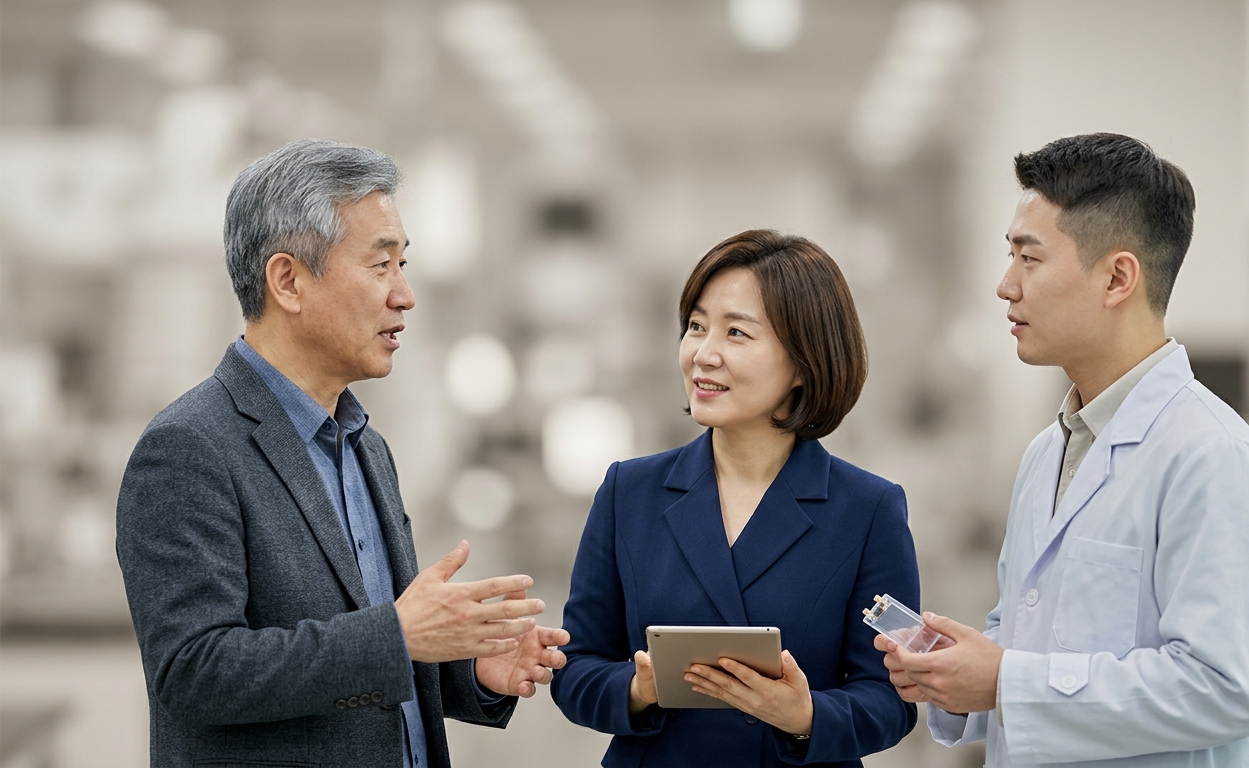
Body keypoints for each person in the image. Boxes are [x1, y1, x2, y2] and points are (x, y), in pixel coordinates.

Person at [115, 139, 569, 768]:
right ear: (288, 281)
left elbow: (375, 656)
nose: (405, 295)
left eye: (403, 264)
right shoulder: (189, 449)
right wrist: (400, 634)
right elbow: (195, 672)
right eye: (381, 266)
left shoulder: (364, 447)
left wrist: (468, 667)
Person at [875, 133, 1249, 765]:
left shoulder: (1212, 459)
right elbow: (1034, 648)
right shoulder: (1048, 454)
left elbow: (1224, 688)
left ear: (1117, 277)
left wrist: (1005, 680)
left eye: (1030, 259)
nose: (1005, 286)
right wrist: (960, 678)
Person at [552, 230, 921, 767]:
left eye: (736, 334)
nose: (704, 354)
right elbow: (576, 667)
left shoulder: (869, 510)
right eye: (696, 327)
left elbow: (892, 696)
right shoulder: (627, 493)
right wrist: (639, 688)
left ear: (803, 361)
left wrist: (806, 716)